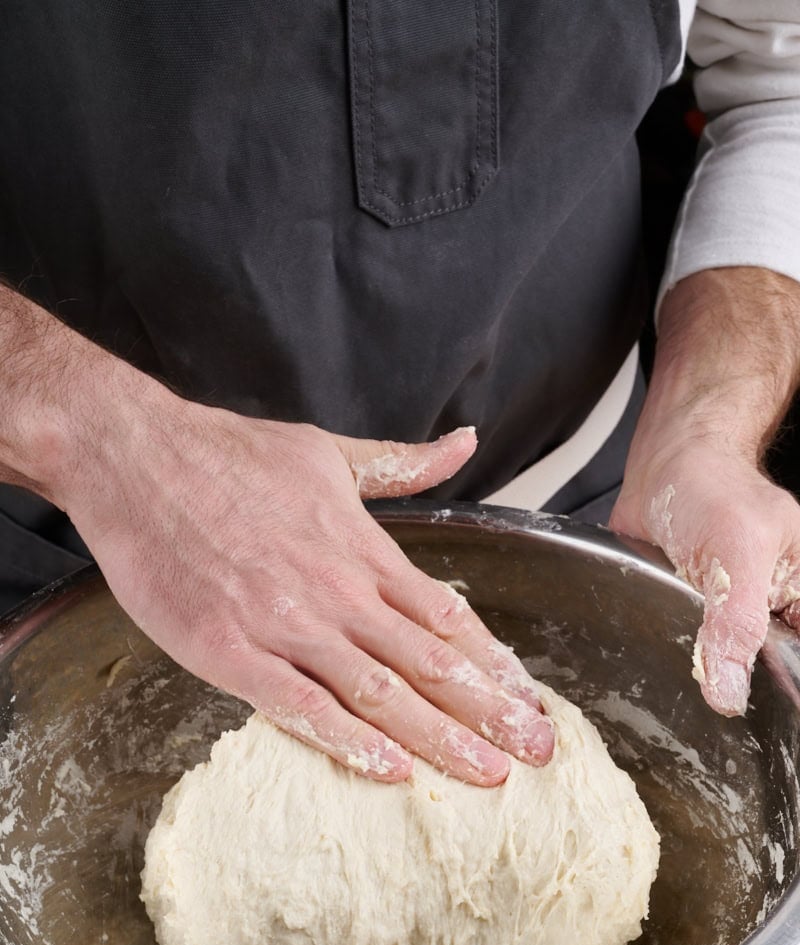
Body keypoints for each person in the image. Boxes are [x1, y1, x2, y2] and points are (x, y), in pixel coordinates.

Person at [1, 2, 799, 786]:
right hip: (87, 557)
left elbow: (778, 80)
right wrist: (110, 441)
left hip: (592, 513)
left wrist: (707, 424)